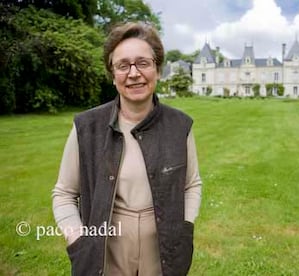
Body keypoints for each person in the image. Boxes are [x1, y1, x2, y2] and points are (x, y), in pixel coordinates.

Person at [52, 21, 202, 276]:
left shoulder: (180, 126)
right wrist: (78, 240)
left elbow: (192, 185)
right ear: (113, 75)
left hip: (164, 253)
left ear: (157, 69)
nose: (134, 73)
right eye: (123, 65)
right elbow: (64, 193)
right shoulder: (86, 127)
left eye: (143, 63)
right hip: (105, 254)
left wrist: (184, 226)